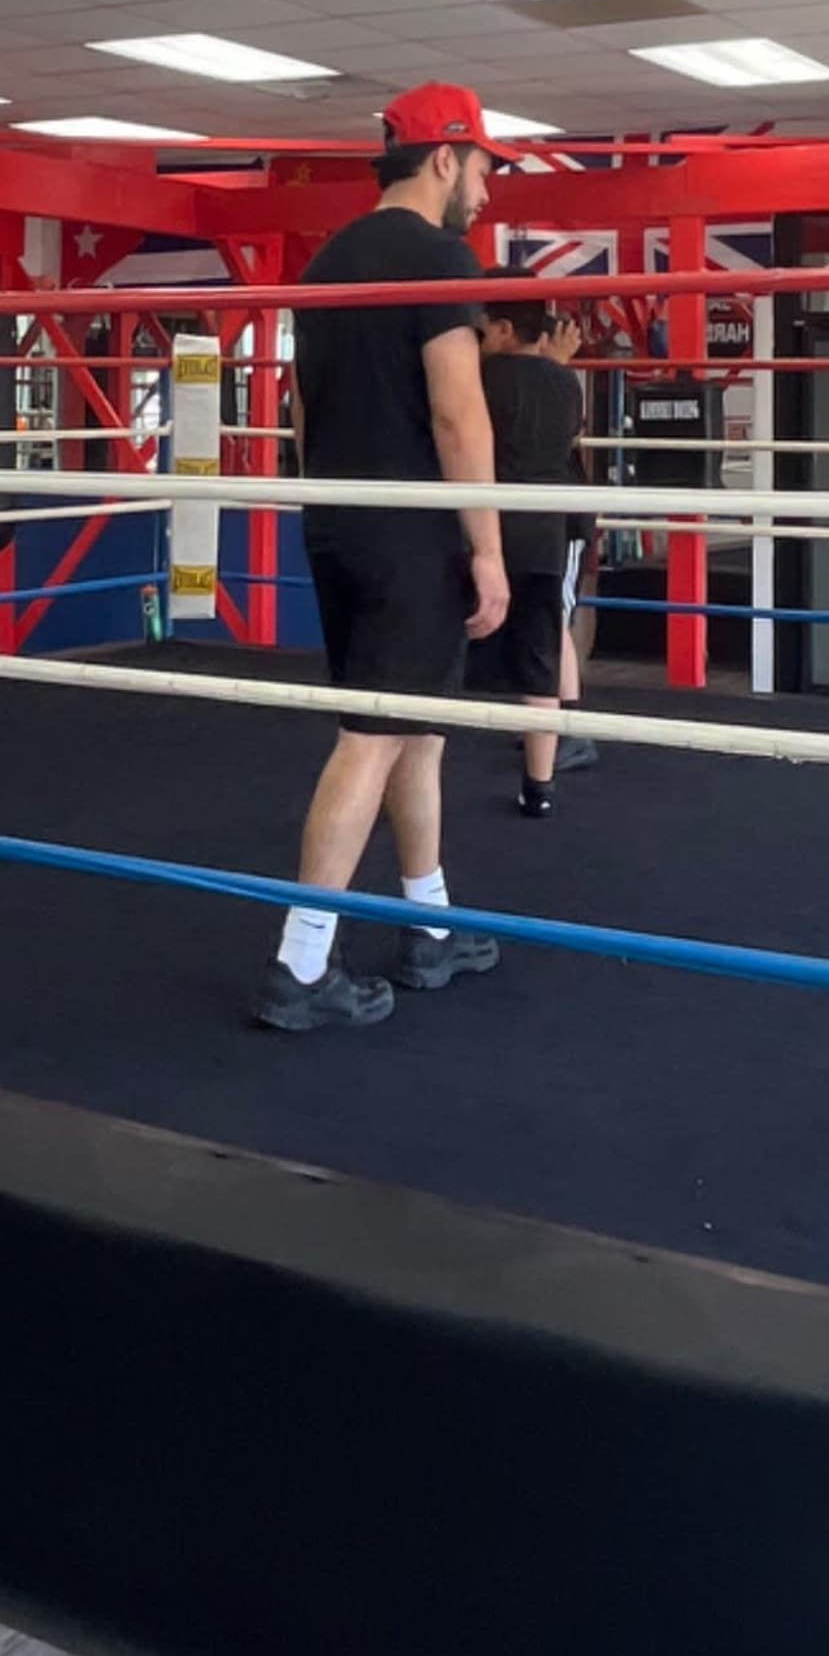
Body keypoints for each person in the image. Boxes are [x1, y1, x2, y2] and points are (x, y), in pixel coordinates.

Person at [261, 83, 510, 1034]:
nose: (486, 191)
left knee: (416, 728)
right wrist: (489, 546)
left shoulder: (327, 261)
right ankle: (300, 962)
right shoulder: (439, 256)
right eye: (481, 168)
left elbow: (302, 408)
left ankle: (428, 925)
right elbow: (457, 410)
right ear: (445, 157)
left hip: (340, 520)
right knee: (373, 734)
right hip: (410, 531)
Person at [472, 298, 594, 813]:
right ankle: (539, 787)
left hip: (487, 524)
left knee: (434, 650)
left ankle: (406, 763)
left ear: (503, 329)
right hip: (547, 526)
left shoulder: (479, 379)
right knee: (547, 638)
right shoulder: (566, 385)